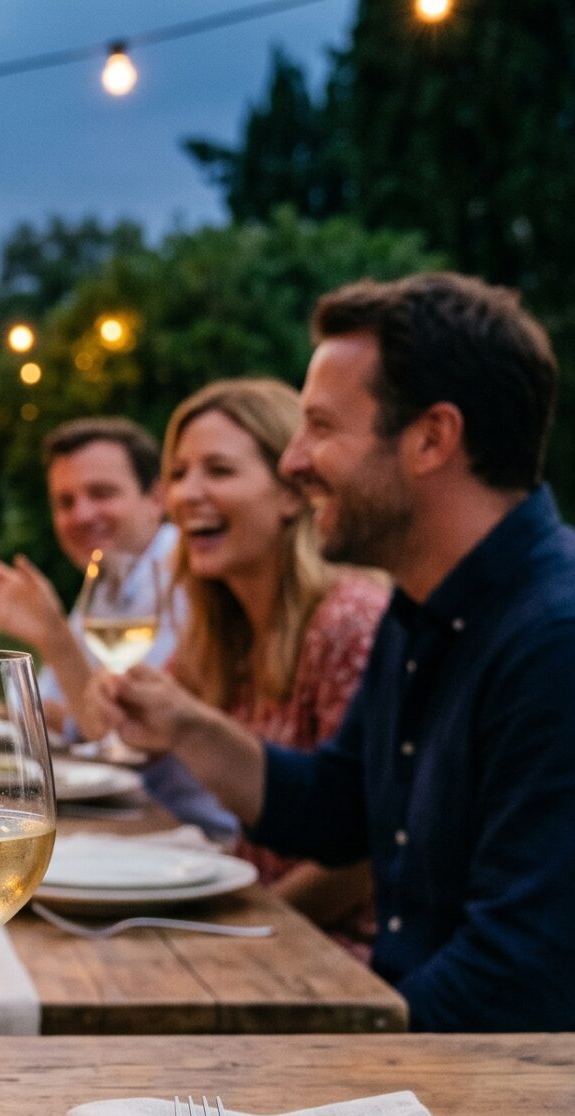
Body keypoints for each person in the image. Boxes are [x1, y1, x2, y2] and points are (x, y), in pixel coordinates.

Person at [96, 274, 575, 1032]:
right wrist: (186, 725)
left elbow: (512, 989)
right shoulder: (426, 607)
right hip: (441, 1057)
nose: (296, 461)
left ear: (433, 438)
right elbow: (336, 810)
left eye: (321, 428)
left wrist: (301, 1053)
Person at [157, 378, 389, 956]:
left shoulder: (349, 622)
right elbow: (123, 723)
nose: (187, 493)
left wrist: (249, 931)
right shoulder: (223, 631)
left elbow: (361, 858)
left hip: (339, 958)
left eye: (219, 470)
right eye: (179, 472)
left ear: (293, 492)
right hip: (259, 926)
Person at [0, 417, 175, 734]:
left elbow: (131, 728)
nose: (82, 515)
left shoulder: (182, 572)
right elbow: (42, 709)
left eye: (102, 493)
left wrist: (54, 635)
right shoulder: (104, 585)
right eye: (65, 502)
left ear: (156, 499)